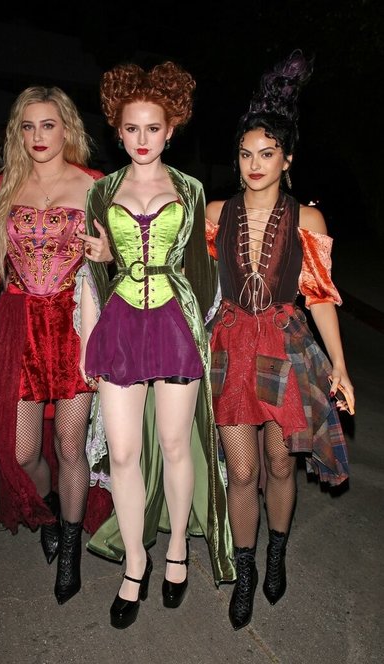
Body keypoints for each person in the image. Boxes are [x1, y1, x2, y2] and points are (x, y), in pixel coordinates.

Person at [77, 60, 234, 630]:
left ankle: (176, 551)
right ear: (117, 131)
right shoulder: (101, 192)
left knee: (173, 446)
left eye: (153, 128)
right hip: (120, 327)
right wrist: (86, 343)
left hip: (174, 325)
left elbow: (203, 273)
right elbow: (91, 275)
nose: (141, 139)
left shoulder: (190, 190)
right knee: (122, 453)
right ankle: (135, 564)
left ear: (171, 130)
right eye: (131, 128)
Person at [205, 50, 355, 630]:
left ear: (287, 159)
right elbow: (189, 279)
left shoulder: (307, 221)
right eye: (246, 154)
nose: (254, 164)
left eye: (267, 153)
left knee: (279, 464)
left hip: (285, 349)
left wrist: (339, 365)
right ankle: (245, 570)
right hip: (230, 348)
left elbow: (320, 296)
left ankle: (276, 552)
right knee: (242, 471)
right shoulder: (216, 214)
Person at [0, 85, 106, 605]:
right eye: (28, 126)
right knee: (23, 451)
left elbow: (116, 261)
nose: (38, 136)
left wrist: (109, 253)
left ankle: (69, 548)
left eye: (48, 125)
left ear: (67, 128)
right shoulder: (4, 186)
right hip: (19, 323)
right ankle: (48, 511)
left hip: (74, 324)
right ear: (17, 134)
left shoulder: (95, 185)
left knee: (70, 445)